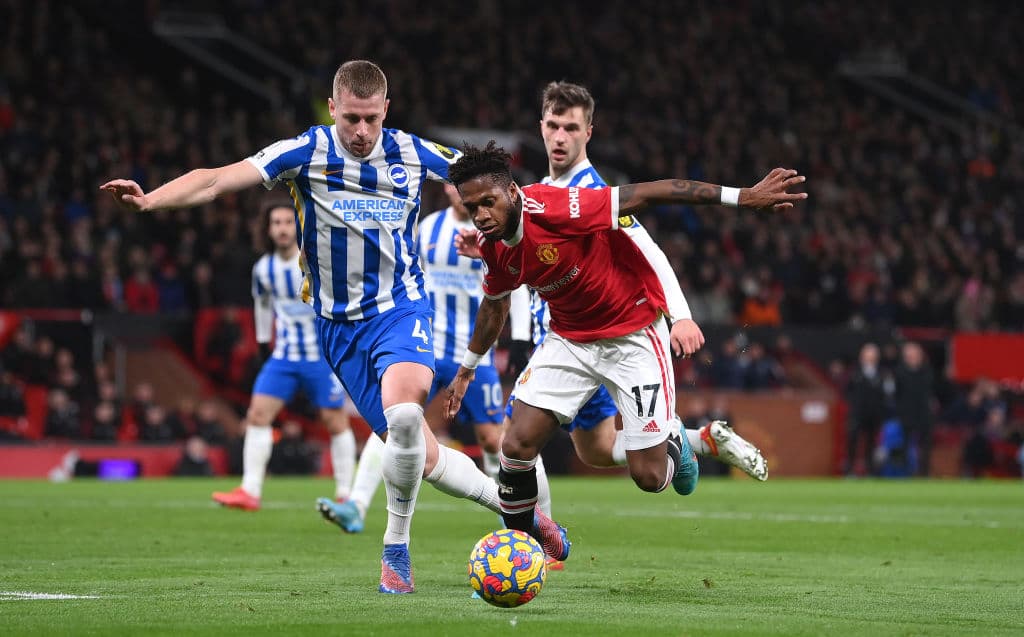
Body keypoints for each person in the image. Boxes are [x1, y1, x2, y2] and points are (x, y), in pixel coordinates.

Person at [102, 60, 566, 594]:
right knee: (414, 449)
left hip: (402, 310)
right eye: (351, 119)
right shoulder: (305, 152)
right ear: (332, 109)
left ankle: (396, 549)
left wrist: (561, 221)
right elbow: (216, 179)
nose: (362, 132)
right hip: (339, 330)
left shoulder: (412, 152)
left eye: (371, 119)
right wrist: (150, 198)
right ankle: (520, 512)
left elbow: (502, 188)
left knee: (407, 415)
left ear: (386, 111)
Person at [444, 141, 804, 538]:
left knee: (650, 477)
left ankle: (676, 439)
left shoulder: (557, 207)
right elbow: (493, 307)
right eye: (471, 206)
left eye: (488, 202)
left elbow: (650, 193)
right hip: (570, 340)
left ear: (512, 192)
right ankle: (534, 542)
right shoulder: (492, 247)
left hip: (633, 335)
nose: (480, 215)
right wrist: (467, 368)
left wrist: (743, 197)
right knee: (515, 446)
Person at [500, 82, 767, 489]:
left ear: (588, 133)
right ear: (540, 127)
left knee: (641, 473)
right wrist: (520, 335)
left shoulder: (594, 193)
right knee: (594, 449)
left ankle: (673, 441)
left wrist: (681, 317)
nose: (560, 137)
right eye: (553, 125)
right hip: (566, 338)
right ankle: (699, 440)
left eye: (571, 128)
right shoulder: (538, 195)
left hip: (618, 336)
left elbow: (652, 252)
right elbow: (523, 267)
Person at [316, 184, 508, 536]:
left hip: (474, 352)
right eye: (453, 183)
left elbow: (513, 285)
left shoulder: (496, 229)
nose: (460, 190)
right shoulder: (428, 226)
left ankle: (512, 510)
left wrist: (519, 337)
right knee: (397, 420)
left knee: (493, 439)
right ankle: (357, 505)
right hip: (426, 344)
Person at [211, 200, 356, 511]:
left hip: (322, 356)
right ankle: (250, 491)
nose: (282, 229)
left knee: (335, 421)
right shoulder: (263, 269)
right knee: (257, 416)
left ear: (299, 226)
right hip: (284, 357)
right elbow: (262, 306)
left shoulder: (318, 262)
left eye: (288, 222)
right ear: (268, 229)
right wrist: (263, 345)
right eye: (276, 223)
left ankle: (346, 494)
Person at [844, 343, 888, 477]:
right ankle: (850, 469)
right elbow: (847, 391)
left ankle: (871, 470)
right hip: (858, 413)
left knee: (872, 443)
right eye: (867, 356)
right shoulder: (854, 373)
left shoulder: (883, 374)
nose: (870, 359)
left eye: (873, 357)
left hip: (874, 413)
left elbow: (885, 394)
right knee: (853, 439)